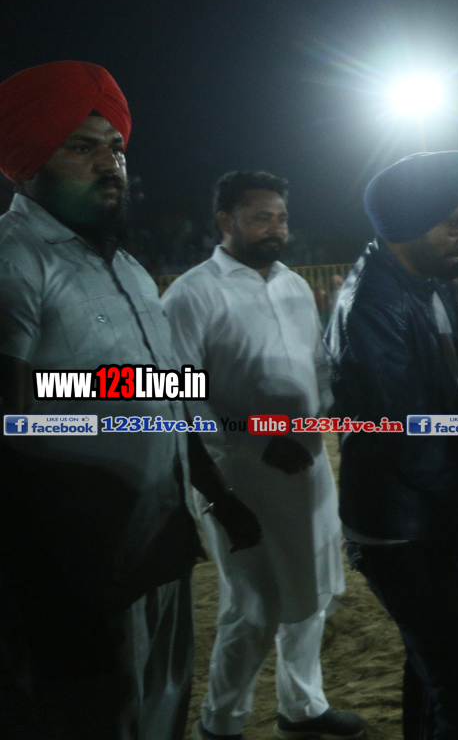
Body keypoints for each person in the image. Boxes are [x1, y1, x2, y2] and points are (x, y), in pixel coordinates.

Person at [0, 60, 260, 738]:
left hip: (158, 547)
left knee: (160, 712)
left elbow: (165, 393)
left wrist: (217, 493)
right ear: (27, 162)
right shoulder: (14, 261)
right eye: (81, 147)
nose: (109, 164)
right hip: (72, 572)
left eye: (115, 147)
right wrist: (41, 588)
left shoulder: (131, 270)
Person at [163, 171, 364, 740]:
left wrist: (330, 421)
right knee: (253, 607)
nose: (276, 229)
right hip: (241, 476)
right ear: (225, 221)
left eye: (281, 218)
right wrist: (253, 441)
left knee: (313, 594)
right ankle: (220, 723)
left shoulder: (295, 286)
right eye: (261, 218)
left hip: (308, 466)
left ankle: (303, 708)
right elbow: (179, 394)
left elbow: (317, 368)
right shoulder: (190, 294)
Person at [325, 151, 458, 739]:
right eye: (455, 225)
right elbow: (408, 437)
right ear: (408, 223)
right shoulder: (373, 304)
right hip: (402, 528)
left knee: (432, 674)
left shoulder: (432, 280)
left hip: (438, 516)